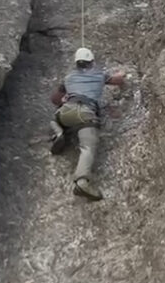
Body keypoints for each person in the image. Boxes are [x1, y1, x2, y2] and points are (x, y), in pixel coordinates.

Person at [49, 47, 126, 200]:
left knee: (55, 118)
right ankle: (82, 182)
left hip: (65, 112)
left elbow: (55, 100)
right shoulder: (100, 75)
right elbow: (118, 80)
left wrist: (65, 98)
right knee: (87, 147)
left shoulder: (68, 77)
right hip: (86, 114)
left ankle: (58, 132)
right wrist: (123, 72)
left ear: (76, 63)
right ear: (92, 62)